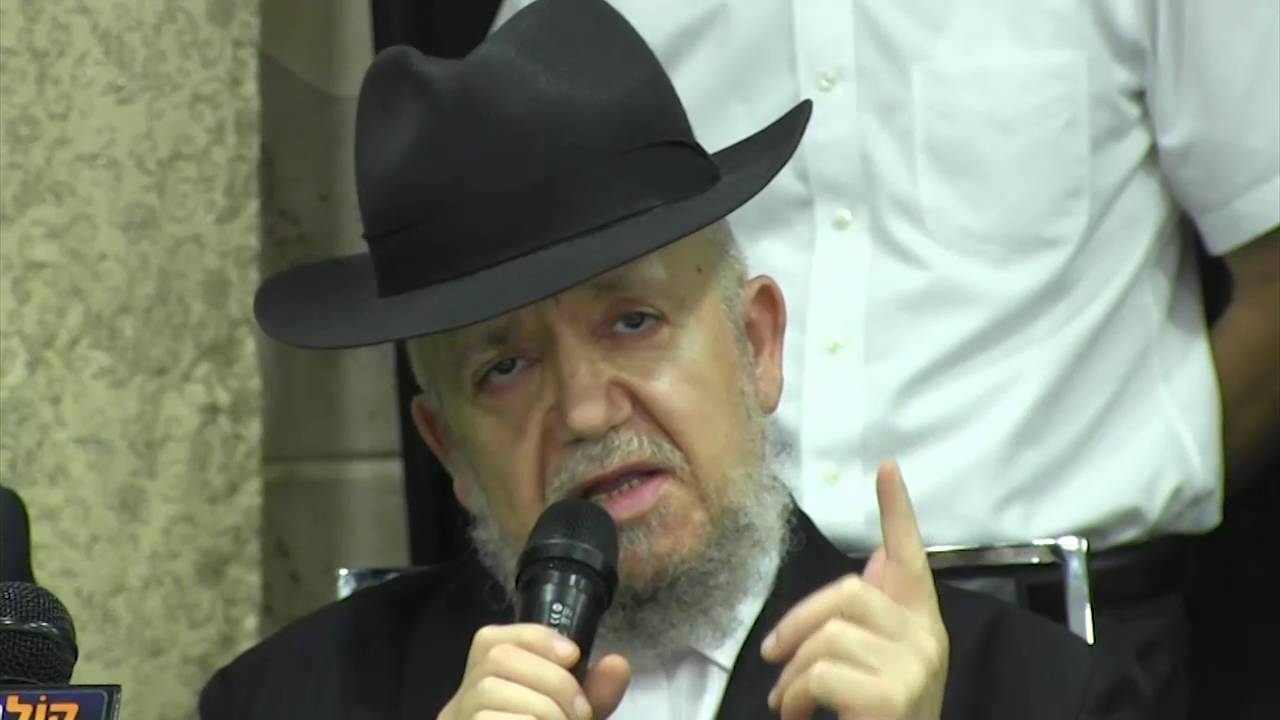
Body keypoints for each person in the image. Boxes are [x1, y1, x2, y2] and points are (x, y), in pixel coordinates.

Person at [200, 1, 1147, 718]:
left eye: (633, 323)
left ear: (757, 345)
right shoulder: (289, 701)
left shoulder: (1032, 695)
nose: (586, 410)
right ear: (447, 446)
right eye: (505, 369)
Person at [484, 1, 1280, 717]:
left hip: (1072, 629)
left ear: (762, 341)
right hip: (717, 637)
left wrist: (1152, 453)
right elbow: (493, 289)